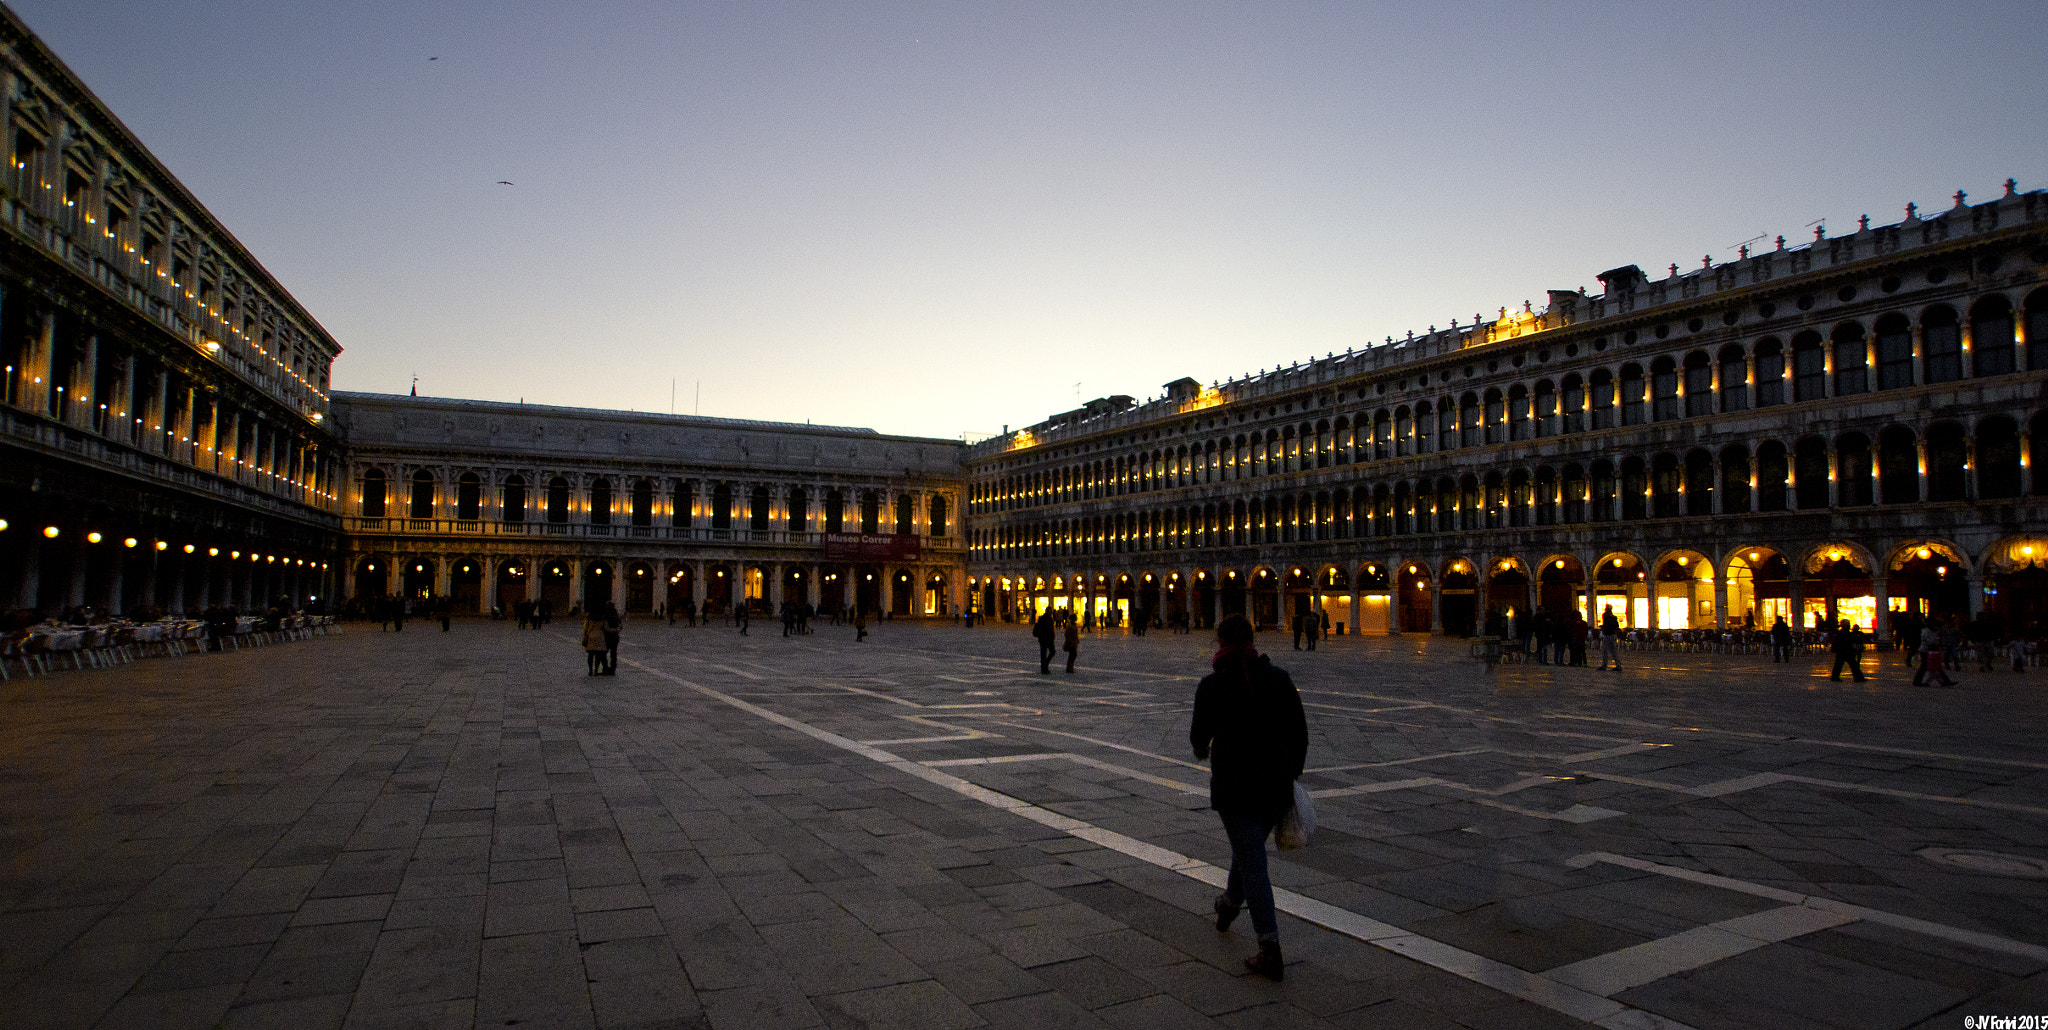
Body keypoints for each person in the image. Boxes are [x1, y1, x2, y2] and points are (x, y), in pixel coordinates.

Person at [1189, 613, 1308, 982]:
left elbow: (1197, 743)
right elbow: (1300, 737)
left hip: (1235, 790)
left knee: (1253, 861)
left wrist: (1211, 745)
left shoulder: (1212, 686)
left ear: (1220, 642)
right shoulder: (1280, 680)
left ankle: (1269, 948)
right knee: (1249, 851)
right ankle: (1227, 905)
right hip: (1275, 789)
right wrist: (1290, 774)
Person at [580, 610, 607, 676]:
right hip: (600, 637)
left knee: (590, 654)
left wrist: (585, 635)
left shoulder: (589, 617)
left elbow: (585, 628)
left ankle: (590, 670)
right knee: (598, 654)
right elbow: (606, 628)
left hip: (591, 636)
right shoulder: (602, 618)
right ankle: (596, 670)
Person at [601, 602, 622, 675]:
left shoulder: (606, 616)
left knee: (603, 653)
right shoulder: (616, 616)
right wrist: (616, 630)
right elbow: (620, 627)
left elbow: (605, 627)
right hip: (615, 637)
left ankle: (605, 668)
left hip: (607, 637)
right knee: (613, 654)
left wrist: (611, 630)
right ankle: (613, 669)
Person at [1598, 606, 1621, 670]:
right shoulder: (1614, 617)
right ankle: (1618, 665)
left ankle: (1604, 665)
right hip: (1613, 635)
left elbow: (1606, 625)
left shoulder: (1606, 616)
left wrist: (1603, 627)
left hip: (1607, 635)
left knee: (1605, 651)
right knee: (1614, 651)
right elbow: (1616, 626)